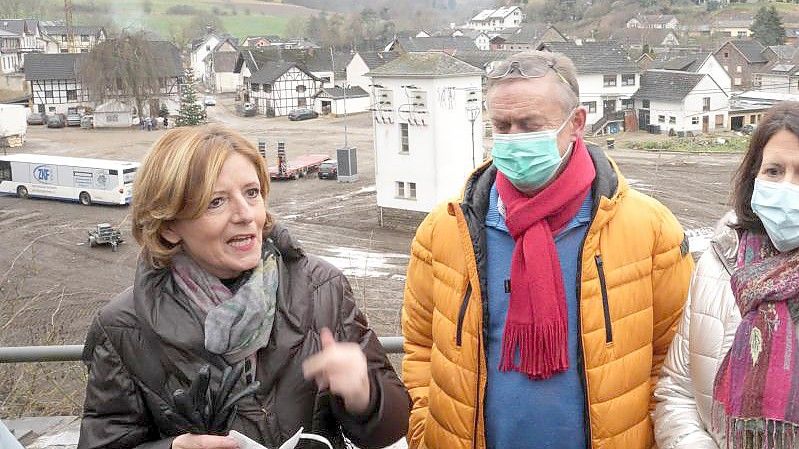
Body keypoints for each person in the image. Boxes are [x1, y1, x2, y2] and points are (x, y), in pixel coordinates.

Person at [401, 50, 695, 449]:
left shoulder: (649, 230)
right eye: (501, 126)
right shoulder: (444, 231)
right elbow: (419, 349)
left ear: (576, 123)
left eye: (530, 125)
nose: (513, 139)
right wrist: (425, 431)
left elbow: (676, 362)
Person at [78, 125, 410, 449]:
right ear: (168, 228)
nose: (245, 214)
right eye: (216, 202)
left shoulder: (323, 287)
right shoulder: (122, 327)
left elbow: (391, 427)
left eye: (251, 193)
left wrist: (364, 393)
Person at [654, 102, 799, 449]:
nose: (788, 188)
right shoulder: (719, 265)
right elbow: (677, 393)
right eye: (774, 171)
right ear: (753, 177)